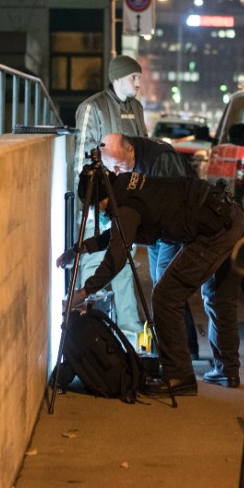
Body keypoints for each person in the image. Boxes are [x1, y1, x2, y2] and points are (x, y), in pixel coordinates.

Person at [58, 168, 244, 395]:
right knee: (219, 299)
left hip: (214, 231)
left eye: (94, 206)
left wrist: (83, 292)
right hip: (229, 216)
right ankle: (227, 371)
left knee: (166, 296)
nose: (95, 211)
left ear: (102, 199)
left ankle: (179, 376)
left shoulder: (125, 206)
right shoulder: (126, 186)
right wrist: (79, 249)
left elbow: (115, 258)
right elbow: (119, 235)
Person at [100, 133, 203, 360]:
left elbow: (176, 202)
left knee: (165, 286)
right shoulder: (132, 161)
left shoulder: (161, 159)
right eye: (111, 169)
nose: (117, 173)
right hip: (159, 232)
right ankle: (179, 347)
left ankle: (180, 350)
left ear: (131, 152)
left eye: (118, 166)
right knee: (162, 286)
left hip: (173, 230)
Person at [71, 55, 149, 335]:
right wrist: (91, 203)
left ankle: (129, 336)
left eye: (139, 77)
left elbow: (143, 153)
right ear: (117, 79)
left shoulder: (137, 109)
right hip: (100, 204)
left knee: (125, 266)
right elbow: (81, 160)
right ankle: (88, 335)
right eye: (133, 77)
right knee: (95, 265)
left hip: (128, 203)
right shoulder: (93, 108)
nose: (139, 83)